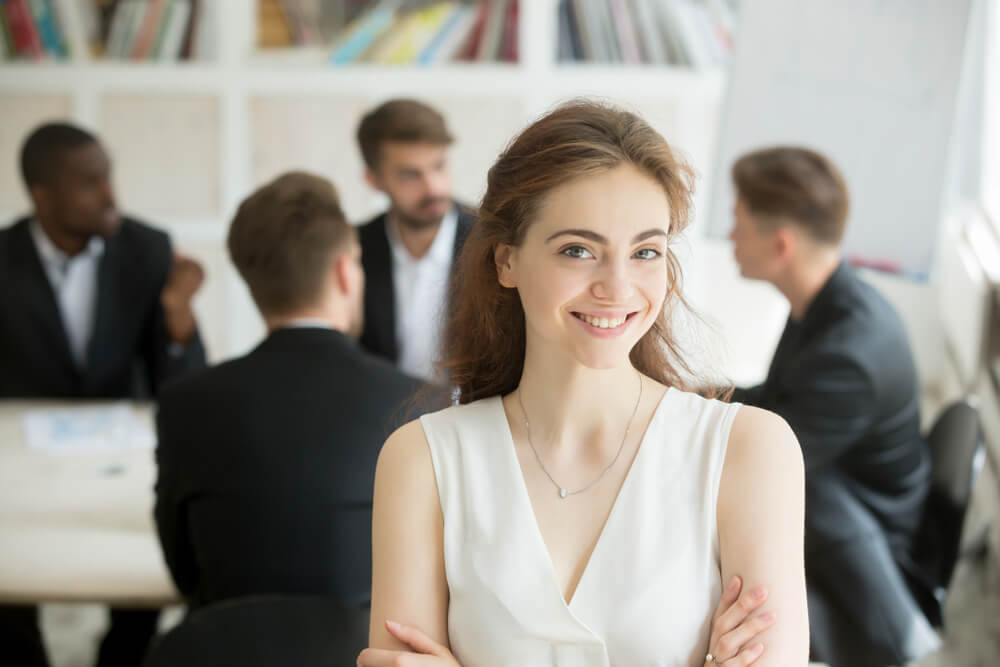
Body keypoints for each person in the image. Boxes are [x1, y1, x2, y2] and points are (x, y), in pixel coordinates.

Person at [358, 102, 809, 666]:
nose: (617, 288)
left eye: (646, 252)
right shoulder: (423, 459)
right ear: (507, 262)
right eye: (578, 250)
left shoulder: (749, 450)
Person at [153, 172, 429, 656]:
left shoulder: (185, 401)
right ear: (346, 272)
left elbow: (183, 571)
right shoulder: (419, 404)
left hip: (220, 656)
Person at [0, 122, 206, 666]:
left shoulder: (148, 249)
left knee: (143, 581)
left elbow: (183, 386)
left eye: (108, 176)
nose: (111, 194)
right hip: (19, 464)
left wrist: (178, 316)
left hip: (120, 456)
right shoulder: (3, 257)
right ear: (42, 195)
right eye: (90, 182)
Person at [727, 146, 940, 666]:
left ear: (780, 244)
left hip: (859, 537)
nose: (730, 235)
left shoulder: (848, 354)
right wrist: (687, 395)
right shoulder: (828, 303)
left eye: (738, 223)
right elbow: (774, 404)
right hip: (836, 492)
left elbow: (766, 464)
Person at [355, 98, 476, 381]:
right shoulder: (353, 250)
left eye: (439, 166)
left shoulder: (494, 240)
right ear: (374, 180)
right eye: (411, 175)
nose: (433, 187)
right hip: (384, 418)